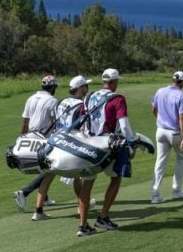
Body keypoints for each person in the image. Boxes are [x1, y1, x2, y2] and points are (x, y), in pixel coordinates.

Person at [84, 68, 135, 231]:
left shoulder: (89, 96)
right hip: (107, 143)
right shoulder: (118, 98)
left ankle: (83, 225)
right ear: (113, 82)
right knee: (115, 178)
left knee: (88, 184)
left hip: (89, 143)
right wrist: (130, 144)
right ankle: (103, 216)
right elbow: (124, 125)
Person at [55, 75, 98, 236]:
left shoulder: (63, 101)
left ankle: (80, 206)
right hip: (75, 145)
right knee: (87, 179)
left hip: (60, 143)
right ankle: (83, 223)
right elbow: (85, 126)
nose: (87, 88)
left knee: (77, 179)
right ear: (80, 88)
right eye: (85, 86)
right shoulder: (81, 105)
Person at [13, 74, 59, 221]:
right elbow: (55, 123)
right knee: (50, 169)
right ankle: (24, 192)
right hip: (44, 139)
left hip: (30, 136)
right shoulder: (52, 101)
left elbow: (25, 121)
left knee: (45, 169)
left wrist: (21, 138)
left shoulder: (31, 98)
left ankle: (44, 198)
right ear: (52, 87)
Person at [151, 71, 183, 204]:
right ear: (182, 82)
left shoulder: (160, 91)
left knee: (160, 162)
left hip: (160, 131)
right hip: (174, 133)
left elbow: (153, 110)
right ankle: (176, 191)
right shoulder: (181, 95)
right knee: (181, 159)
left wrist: (162, 120)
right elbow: (182, 117)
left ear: (172, 79)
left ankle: (155, 195)